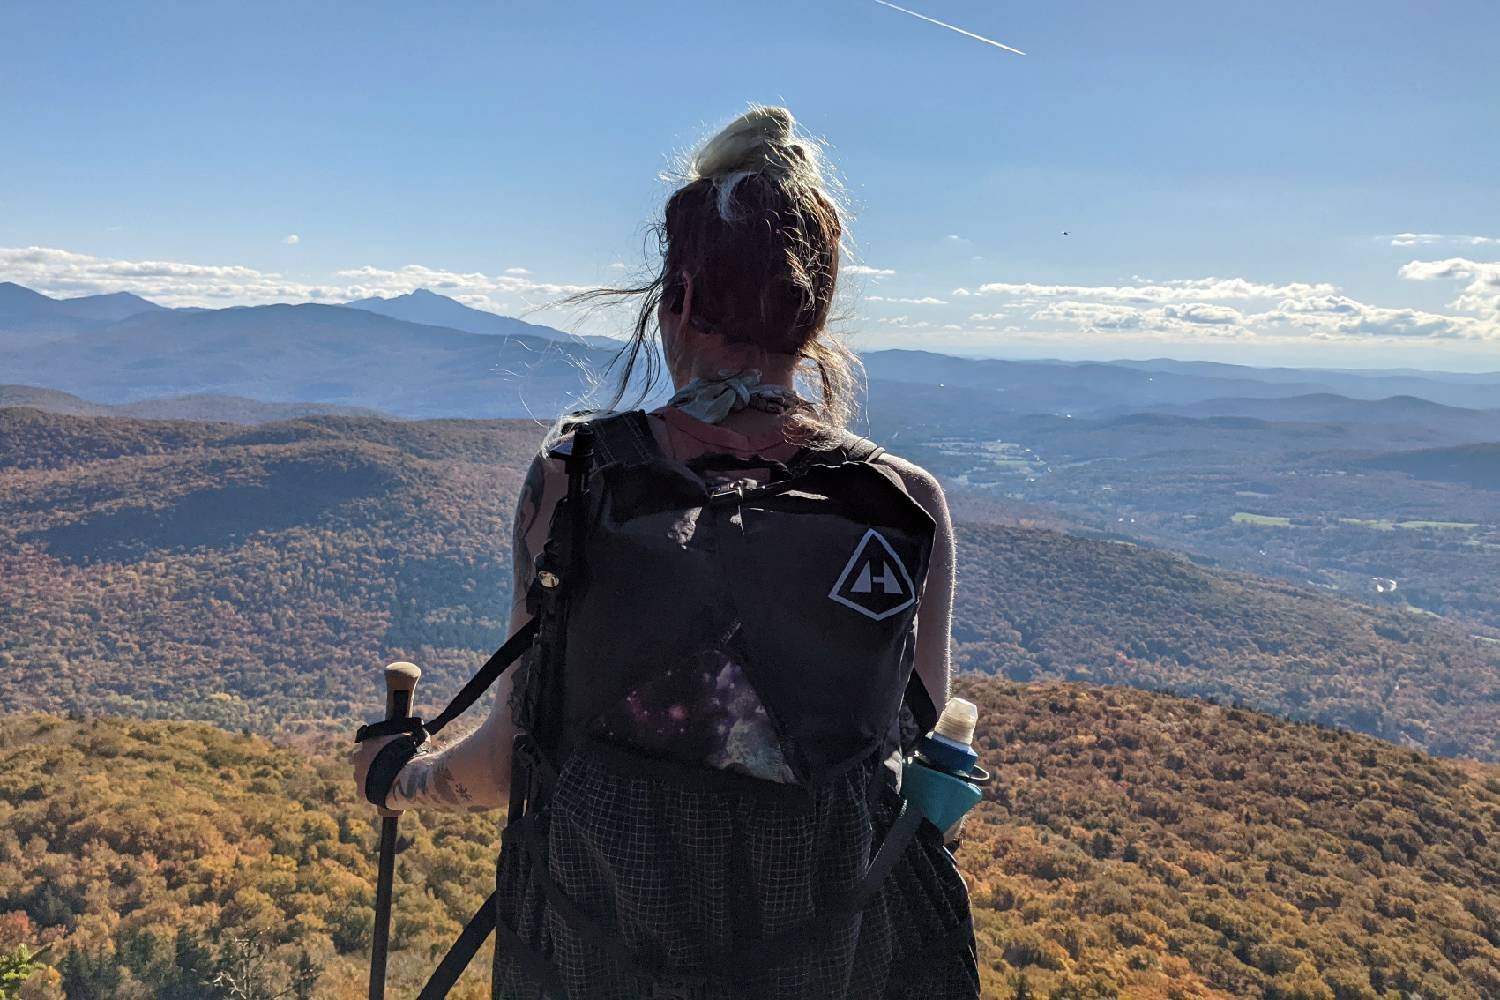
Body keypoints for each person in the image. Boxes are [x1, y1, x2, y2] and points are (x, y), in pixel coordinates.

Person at [354, 105, 978, 1000]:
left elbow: (506, 764)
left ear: (676, 297)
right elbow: (926, 791)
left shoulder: (578, 476)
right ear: (818, 306)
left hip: (592, 962)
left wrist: (395, 779)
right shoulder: (905, 503)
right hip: (834, 965)